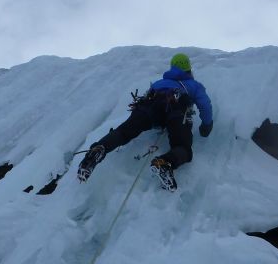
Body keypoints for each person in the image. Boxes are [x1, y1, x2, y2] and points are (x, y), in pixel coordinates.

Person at [77, 53, 214, 190]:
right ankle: (164, 163)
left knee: (124, 132)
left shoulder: (159, 83)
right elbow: (205, 105)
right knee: (183, 147)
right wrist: (206, 126)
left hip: (148, 106)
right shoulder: (193, 85)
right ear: (188, 69)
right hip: (176, 110)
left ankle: (99, 148)